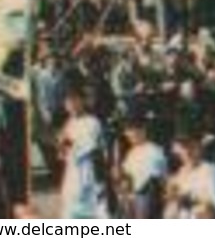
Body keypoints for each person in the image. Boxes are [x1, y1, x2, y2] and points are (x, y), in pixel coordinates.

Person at [57, 91, 110, 219]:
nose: (72, 105)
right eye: (68, 102)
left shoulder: (92, 121)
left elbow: (89, 147)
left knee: (94, 211)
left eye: (75, 101)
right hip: (73, 172)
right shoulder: (69, 123)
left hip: (89, 171)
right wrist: (62, 147)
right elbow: (63, 152)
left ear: (83, 102)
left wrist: (67, 144)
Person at [117, 120, 167, 219]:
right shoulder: (131, 154)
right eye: (128, 130)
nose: (130, 134)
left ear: (143, 130)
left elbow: (152, 184)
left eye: (135, 130)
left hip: (148, 203)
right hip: (132, 202)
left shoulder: (154, 151)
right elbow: (127, 178)